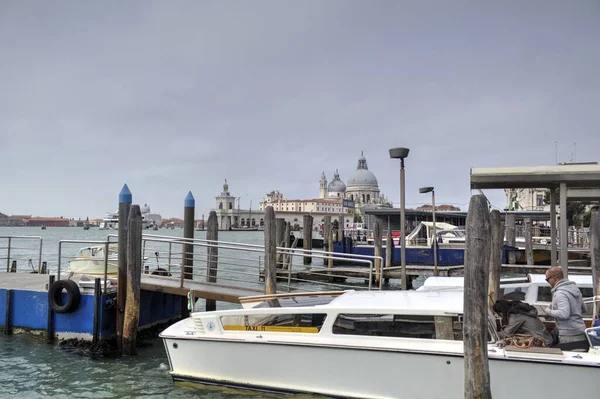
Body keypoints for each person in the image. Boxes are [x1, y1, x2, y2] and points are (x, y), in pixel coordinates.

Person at [543, 266, 588, 350]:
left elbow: (564, 314)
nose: (548, 282)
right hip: (581, 331)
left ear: (554, 277)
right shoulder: (575, 289)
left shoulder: (560, 293)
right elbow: (584, 308)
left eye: (547, 279)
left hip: (568, 333)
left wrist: (548, 310)